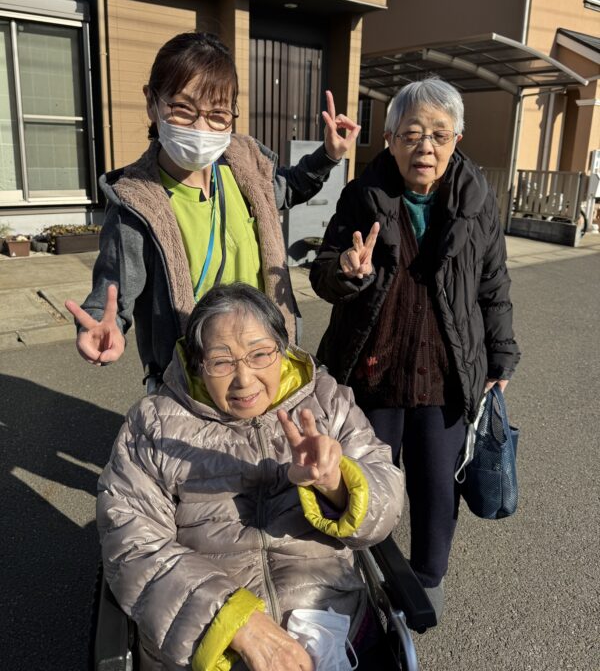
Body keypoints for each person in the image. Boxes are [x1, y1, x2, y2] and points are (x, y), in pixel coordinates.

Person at [97, 283, 404, 671]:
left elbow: (387, 501)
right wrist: (232, 621)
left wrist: (335, 483)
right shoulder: (153, 425)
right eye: (221, 362)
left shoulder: (327, 402)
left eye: (260, 354)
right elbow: (131, 543)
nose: (244, 379)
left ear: (283, 350)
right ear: (197, 364)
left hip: (333, 619)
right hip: (212, 642)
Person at [309, 76, 520, 620]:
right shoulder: (362, 195)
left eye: (439, 135)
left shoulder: (477, 200)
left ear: (456, 141)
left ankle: (427, 578)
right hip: (372, 369)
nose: (425, 147)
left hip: (444, 375)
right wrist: (346, 269)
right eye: (412, 134)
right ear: (389, 139)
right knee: (363, 481)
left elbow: (493, 284)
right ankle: (360, 572)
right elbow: (324, 272)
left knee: (435, 487)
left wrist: (501, 355)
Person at [65, 31, 359, 376]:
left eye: (218, 113)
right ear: (152, 102)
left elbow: (288, 187)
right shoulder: (136, 203)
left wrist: (328, 155)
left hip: (265, 357)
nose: (201, 127)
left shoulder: (245, 171)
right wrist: (102, 324)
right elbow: (114, 287)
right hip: (195, 375)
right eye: (182, 108)